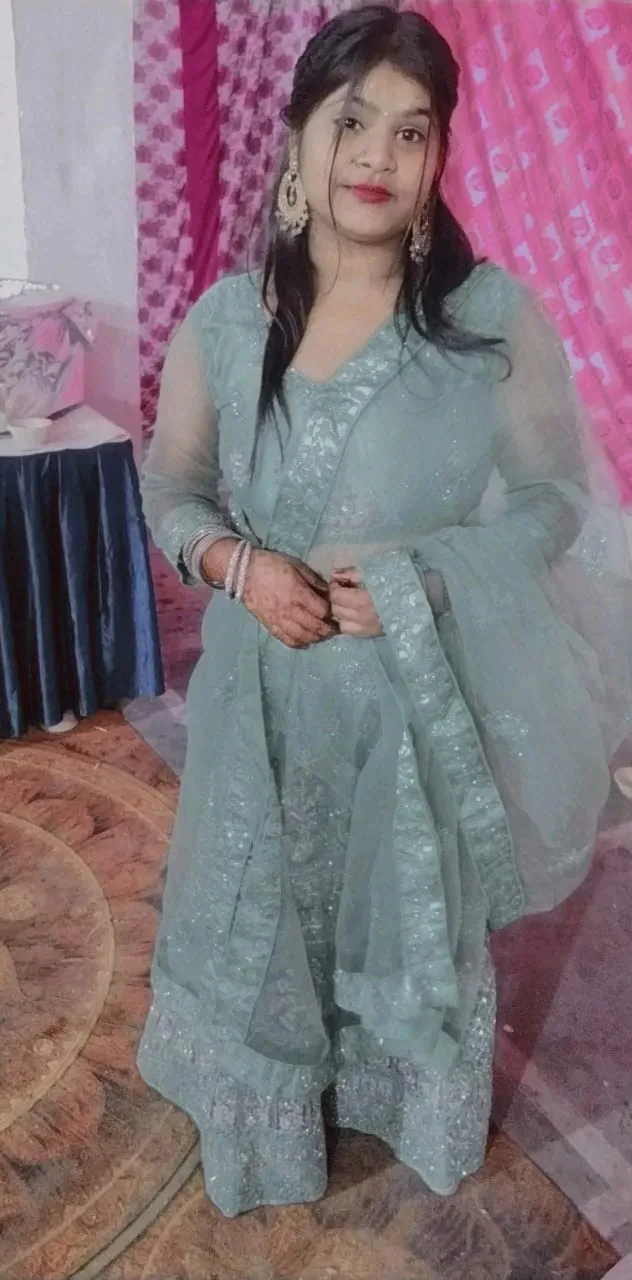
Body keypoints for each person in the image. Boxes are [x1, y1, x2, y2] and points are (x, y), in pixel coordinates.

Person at [138, 4, 632, 1218]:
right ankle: (267, 1117)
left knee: (397, 922)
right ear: (297, 136)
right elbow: (173, 489)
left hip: (410, 698)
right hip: (259, 693)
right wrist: (236, 567)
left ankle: (399, 1101)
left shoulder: (485, 322)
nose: (374, 155)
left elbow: (553, 500)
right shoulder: (221, 323)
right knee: (262, 913)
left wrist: (424, 581)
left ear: (437, 159)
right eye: (349, 121)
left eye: (410, 132)